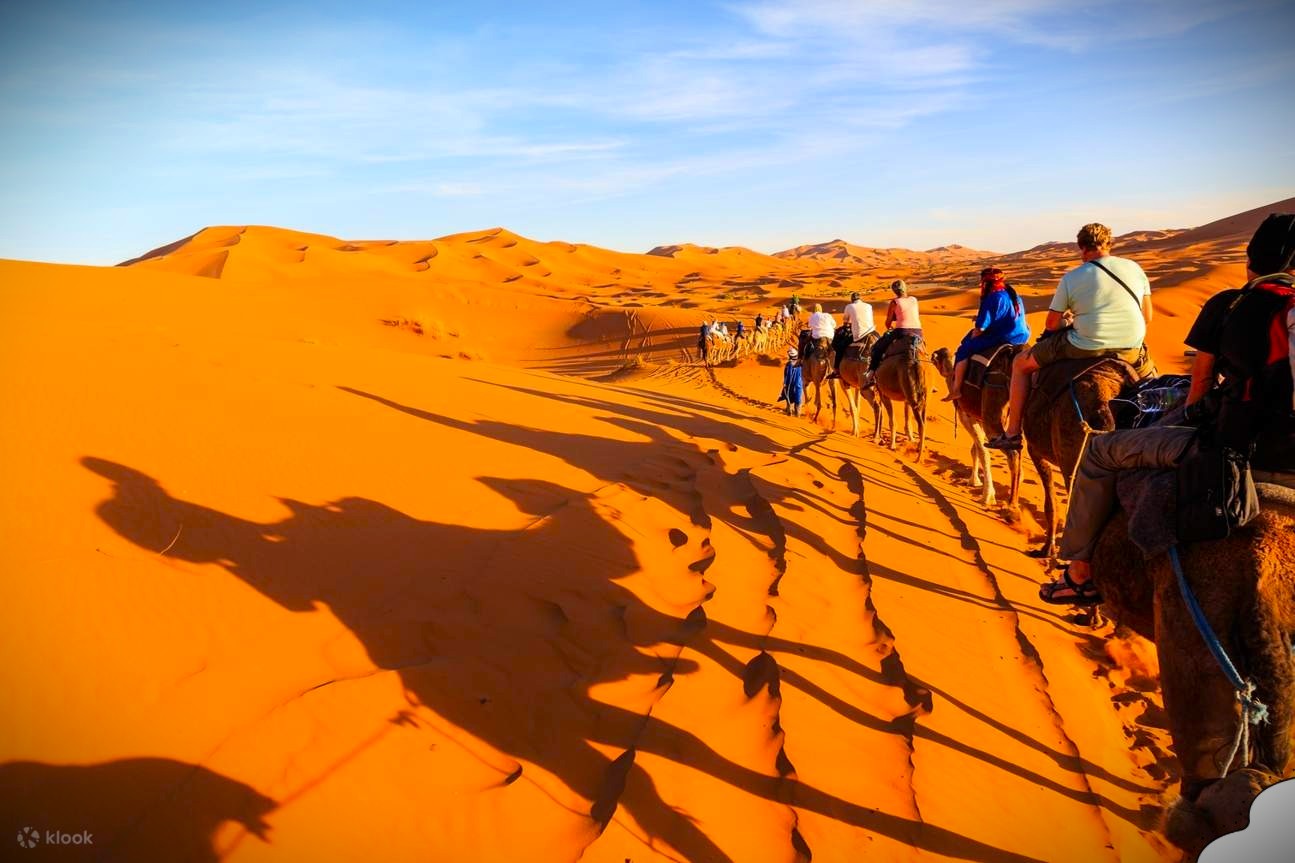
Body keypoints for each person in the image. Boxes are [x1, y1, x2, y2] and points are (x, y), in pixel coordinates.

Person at [1038, 213, 1295, 605]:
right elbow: (1148, 319)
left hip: (1235, 448)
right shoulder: (1135, 269)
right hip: (1135, 352)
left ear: (1251, 261)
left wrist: (1191, 416)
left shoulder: (1231, 304)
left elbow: (1202, 383)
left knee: (1100, 453)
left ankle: (1080, 573)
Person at [988, 223, 1153, 450]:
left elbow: (1051, 324)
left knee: (1019, 364)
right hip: (1131, 346)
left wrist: (1069, 322)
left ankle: (1013, 432)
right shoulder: (1135, 268)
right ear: (1109, 244)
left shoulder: (1072, 277)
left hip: (1084, 345)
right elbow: (1148, 316)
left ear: (1082, 248)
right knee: (1152, 379)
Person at [943, 268, 1032, 401]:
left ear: (986, 283)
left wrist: (973, 337)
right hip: (1022, 335)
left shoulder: (992, 297)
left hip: (1004, 336)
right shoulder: (1013, 294)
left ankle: (956, 390)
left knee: (964, 349)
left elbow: (981, 328)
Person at [867, 280, 923, 375]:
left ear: (894, 291)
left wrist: (890, 326)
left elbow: (888, 322)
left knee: (878, 347)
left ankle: (871, 372)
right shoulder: (914, 299)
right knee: (923, 350)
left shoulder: (895, 302)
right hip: (918, 331)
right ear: (905, 288)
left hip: (902, 331)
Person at [778, 348, 805, 416]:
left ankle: (791, 411)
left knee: (791, 398)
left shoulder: (790, 364)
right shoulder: (800, 363)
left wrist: (784, 383)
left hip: (792, 384)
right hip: (797, 384)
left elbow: (786, 375)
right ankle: (795, 413)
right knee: (796, 399)